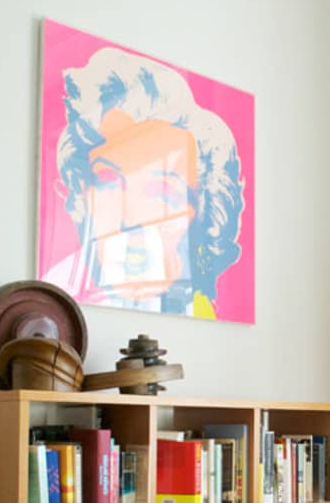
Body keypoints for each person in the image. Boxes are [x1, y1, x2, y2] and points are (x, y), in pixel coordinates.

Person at [45, 46, 245, 318]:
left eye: (163, 195)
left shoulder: (203, 311)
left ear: (203, 214)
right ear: (83, 193)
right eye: (109, 184)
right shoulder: (56, 294)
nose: (131, 221)